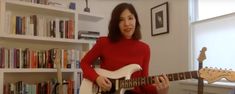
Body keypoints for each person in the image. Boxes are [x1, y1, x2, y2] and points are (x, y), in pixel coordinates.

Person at [80, 2, 169, 94]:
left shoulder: (145, 49)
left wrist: (160, 91)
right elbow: (84, 63)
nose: (127, 23)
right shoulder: (104, 42)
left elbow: (144, 85)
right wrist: (97, 78)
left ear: (136, 20)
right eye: (121, 20)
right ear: (116, 24)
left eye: (130, 18)